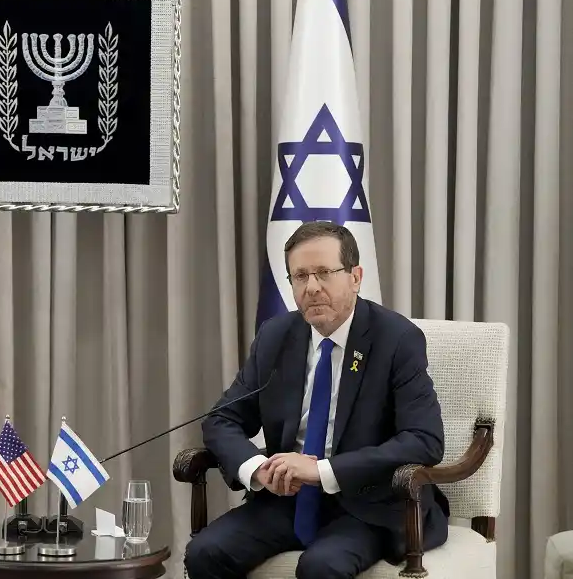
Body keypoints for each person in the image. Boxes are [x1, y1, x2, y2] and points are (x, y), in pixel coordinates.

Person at [184, 221, 448, 579]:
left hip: (366, 504)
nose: (311, 288)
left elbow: (424, 440)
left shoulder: (396, 339)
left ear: (356, 277)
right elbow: (221, 420)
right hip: (287, 501)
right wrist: (257, 469)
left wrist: (322, 471)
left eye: (324, 273)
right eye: (300, 276)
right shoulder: (276, 336)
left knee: (321, 567)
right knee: (205, 552)